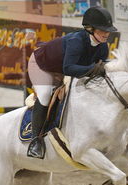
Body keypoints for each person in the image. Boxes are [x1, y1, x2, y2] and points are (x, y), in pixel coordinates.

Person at [27, 6, 117, 158]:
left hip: (61, 68)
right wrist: (94, 69)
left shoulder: (103, 46)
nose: (107, 33)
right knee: (45, 96)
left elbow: (98, 69)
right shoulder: (76, 41)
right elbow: (69, 68)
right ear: (89, 29)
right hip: (41, 65)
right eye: (102, 29)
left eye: (108, 30)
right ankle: (35, 141)